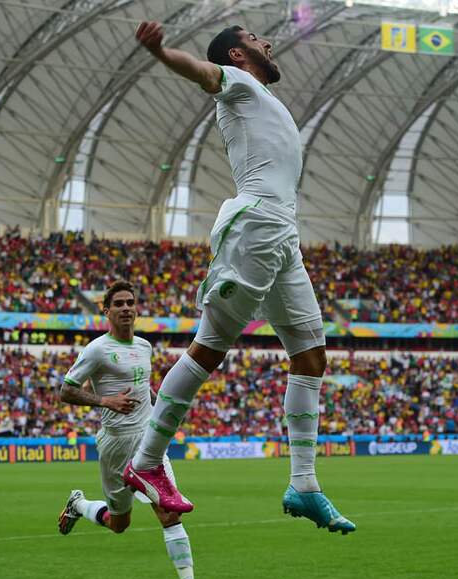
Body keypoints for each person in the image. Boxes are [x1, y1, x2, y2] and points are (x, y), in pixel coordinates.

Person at [123, 21, 355, 536]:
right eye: (256, 38)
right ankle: (145, 461)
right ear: (238, 53)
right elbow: (202, 72)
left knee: (312, 355)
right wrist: (163, 52)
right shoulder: (237, 80)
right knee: (210, 347)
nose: (267, 42)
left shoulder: (263, 97)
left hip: (282, 236)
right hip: (255, 226)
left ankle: (304, 484)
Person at [56, 282, 214, 579]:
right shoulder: (97, 349)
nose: (127, 308)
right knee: (119, 524)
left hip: (148, 443)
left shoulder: (144, 346)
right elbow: (66, 391)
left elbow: (143, 389)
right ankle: (80, 504)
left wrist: (163, 410)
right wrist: (105, 400)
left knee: (168, 512)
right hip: (115, 445)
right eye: (119, 304)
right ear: (107, 310)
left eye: (131, 303)